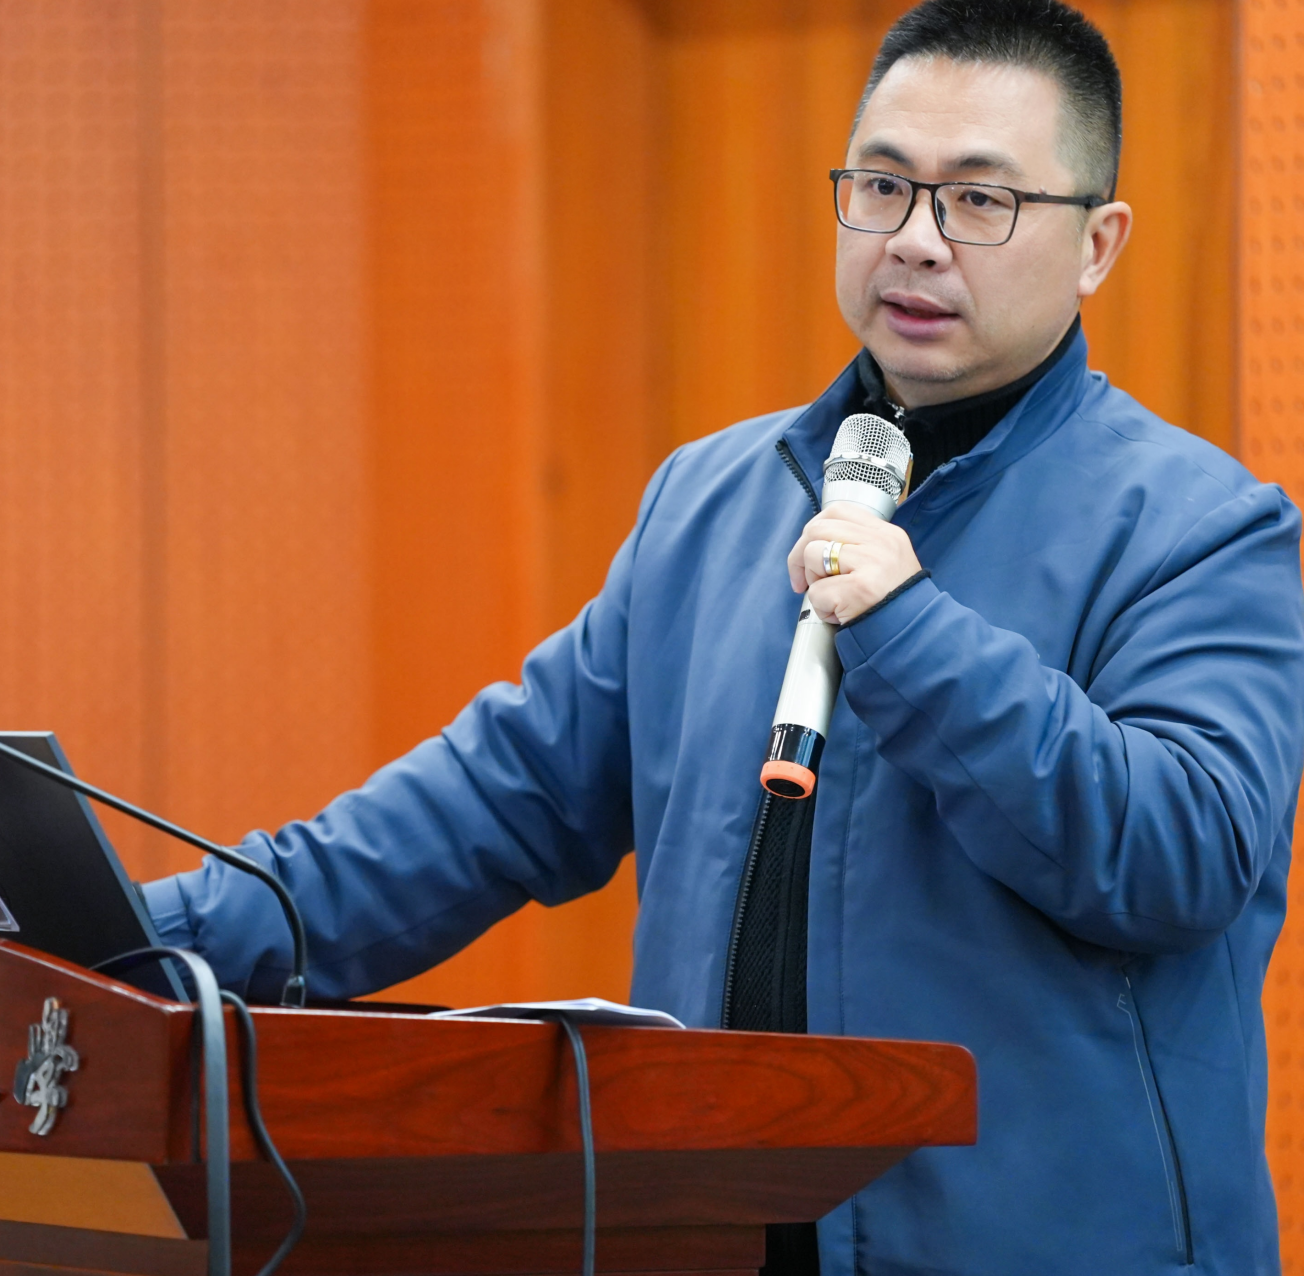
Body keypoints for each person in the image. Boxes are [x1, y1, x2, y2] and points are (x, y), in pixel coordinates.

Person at [143, 1, 1304, 1271]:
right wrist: (133, 940)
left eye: (981, 201)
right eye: (883, 186)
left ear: (1097, 243)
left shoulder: (1200, 529)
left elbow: (1180, 854)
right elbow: (482, 807)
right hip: (716, 1234)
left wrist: (908, 627)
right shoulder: (710, 502)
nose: (916, 240)